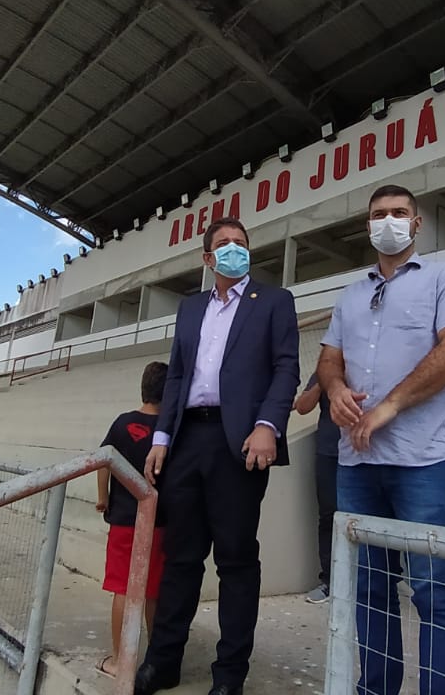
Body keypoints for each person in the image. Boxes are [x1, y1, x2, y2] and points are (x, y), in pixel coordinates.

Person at [317, 183, 445, 695]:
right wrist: (335, 388)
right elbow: (328, 359)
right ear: (366, 225)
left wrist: (388, 404)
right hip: (357, 463)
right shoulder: (350, 294)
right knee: (368, 588)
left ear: (416, 224)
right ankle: (377, 687)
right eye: (377, 214)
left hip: (425, 463)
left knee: (434, 590)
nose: (387, 221)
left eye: (398, 213)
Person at [134, 217, 300, 695]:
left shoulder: (273, 301)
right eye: (223, 245)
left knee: (235, 560)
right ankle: (163, 661)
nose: (234, 250)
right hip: (188, 441)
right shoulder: (190, 308)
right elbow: (177, 376)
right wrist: (161, 438)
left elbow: (286, 367)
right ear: (208, 258)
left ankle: (229, 676)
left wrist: (268, 426)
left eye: (241, 244)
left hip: (241, 443)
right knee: (182, 557)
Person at [95, 361, 169, 679]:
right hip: (159, 521)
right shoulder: (167, 429)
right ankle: (153, 660)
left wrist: (103, 497)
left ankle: (119, 659)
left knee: (122, 589)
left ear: (143, 388)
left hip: (124, 520)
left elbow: (103, 461)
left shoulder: (123, 423)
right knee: (153, 590)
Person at [293, 373, 340, 604]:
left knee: (372, 516)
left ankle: (388, 577)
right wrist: (323, 379)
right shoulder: (323, 371)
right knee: (329, 517)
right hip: (330, 452)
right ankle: (330, 582)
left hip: (367, 452)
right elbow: (302, 407)